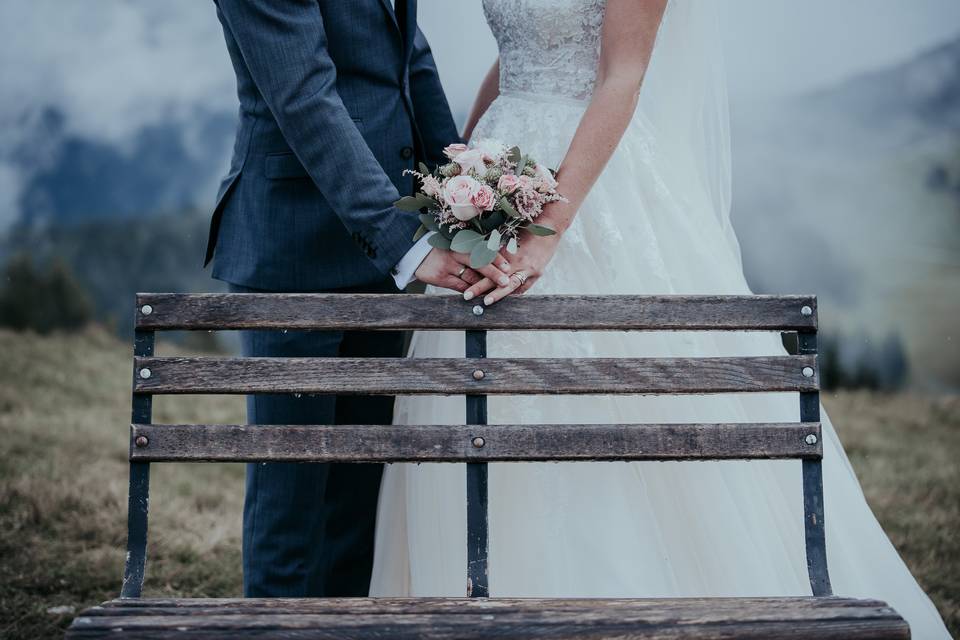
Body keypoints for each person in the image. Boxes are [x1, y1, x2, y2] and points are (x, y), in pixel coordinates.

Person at [369, 2, 950, 637]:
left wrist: (548, 231)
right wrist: (464, 170)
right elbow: (517, 58)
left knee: (617, 401)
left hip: (593, 183)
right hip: (500, 168)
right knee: (470, 393)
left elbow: (623, 74)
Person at [207, 0, 504, 597]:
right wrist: (408, 245)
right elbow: (303, 94)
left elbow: (408, 59)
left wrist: (463, 204)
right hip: (294, 250)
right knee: (292, 503)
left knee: (359, 502)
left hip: (384, 242)